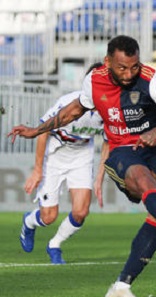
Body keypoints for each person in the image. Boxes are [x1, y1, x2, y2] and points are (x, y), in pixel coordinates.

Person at [8, 35, 156, 297]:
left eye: (134, 67)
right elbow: (75, 110)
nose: (128, 74)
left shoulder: (152, 80)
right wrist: (37, 130)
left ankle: (121, 286)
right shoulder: (94, 81)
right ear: (107, 62)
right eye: (121, 68)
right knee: (147, 184)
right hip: (124, 149)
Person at [19, 63, 106, 265]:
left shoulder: (109, 109)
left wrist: (100, 177)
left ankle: (55, 245)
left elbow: (109, 142)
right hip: (56, 153)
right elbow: (43, 131)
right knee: (48, 217)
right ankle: (29, 221)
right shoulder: (68, 102)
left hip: (82, 153)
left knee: (81, 211)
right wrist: (37, 170)